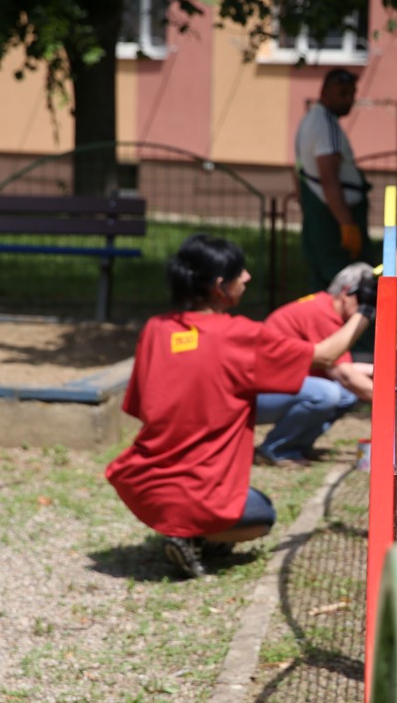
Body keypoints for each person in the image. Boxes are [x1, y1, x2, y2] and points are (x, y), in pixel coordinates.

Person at [105, 233, 372, 579]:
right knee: (263, 514)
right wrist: (364, 314)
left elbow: (142, 405)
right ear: (219, 285)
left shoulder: (156, 329)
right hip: (203, 490)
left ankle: (182, 526)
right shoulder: (238, 335)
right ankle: (191, 533)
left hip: (145, 484)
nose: (247, 277)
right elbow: (325, 355)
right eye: (239, 272)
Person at [254, 262, 377, 467]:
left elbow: (339, 366)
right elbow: (345, 375)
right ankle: (276, 449)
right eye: (364, 300)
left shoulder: (324, 306)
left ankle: (297, 445)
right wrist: (393, 402)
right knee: (328, 393)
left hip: (275, 388)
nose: (367, 309)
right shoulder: (322, 314)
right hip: (258, 396)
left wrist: (383, 373)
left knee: (345, 395)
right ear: (346, 292)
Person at [294, 68, 373, 292]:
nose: (348, 100)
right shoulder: (324, 124)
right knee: (347, 283)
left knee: (322, 279)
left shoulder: (309, 121)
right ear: (324, 92)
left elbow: (297, 171)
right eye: (342, 93)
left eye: (351, 93)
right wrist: (347, 224)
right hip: (334, 218)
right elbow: (329, 179)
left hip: (320, 213)